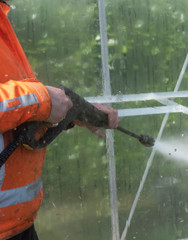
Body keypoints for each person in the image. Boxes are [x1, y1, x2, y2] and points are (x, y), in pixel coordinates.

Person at [0, 1, 119, 239]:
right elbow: (29, 101)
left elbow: (16, 111)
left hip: (16, 225)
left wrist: (74, 112)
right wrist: (42, 100)